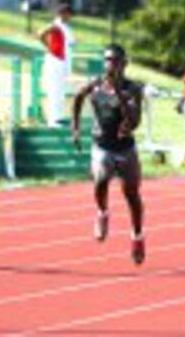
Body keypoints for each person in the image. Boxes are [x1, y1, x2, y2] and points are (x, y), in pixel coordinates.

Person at [72, 44, 145, 265]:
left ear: (124, 64)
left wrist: (119, 95)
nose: (110, 64)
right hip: (102, 145)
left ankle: (137, 236)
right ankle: (102, 212)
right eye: (107, 60)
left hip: (125, 147)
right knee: (101, 180)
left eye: (115, 60)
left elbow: (134, 121)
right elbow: (77, 98)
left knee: (131, 196)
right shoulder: (94, 84)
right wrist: (75, 128)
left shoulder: (133, 89)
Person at [39, 4, 76, 127]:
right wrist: (50, 48)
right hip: (55, 62)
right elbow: (41, 33)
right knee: (54, 91)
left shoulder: (66, 27)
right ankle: (53, 121)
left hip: (62, 63)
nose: (69, 16)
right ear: (62, 14)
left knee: (60, 92)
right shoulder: (56, 25)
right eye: (66, 13)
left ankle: (58, 119)